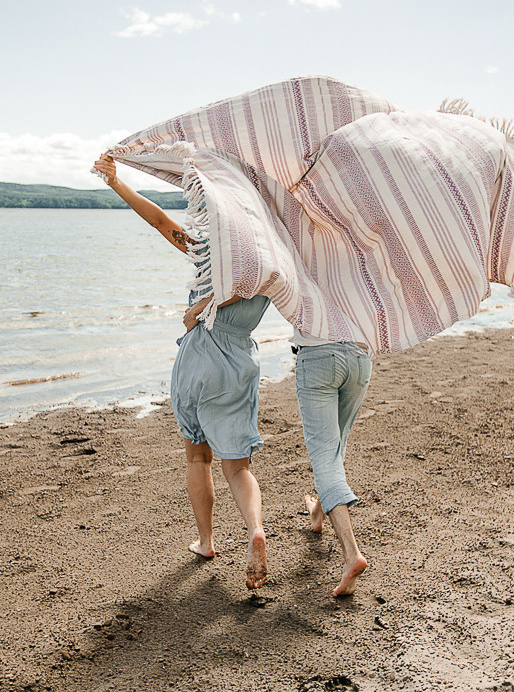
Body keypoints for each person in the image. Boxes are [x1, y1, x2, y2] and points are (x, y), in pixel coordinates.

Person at [95, 155, 270, 590]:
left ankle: (207, 542)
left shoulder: (210, 253)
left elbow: (158, 220)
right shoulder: (274, 262)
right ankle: (253, 529)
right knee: (238, 465)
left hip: (200, 356)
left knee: (197, 455)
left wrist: (117, 182)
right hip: (240, 361)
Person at [293, 329, 372, 597]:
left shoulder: (306, 282)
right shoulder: (359, 282)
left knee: (326, 456)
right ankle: (318, 512)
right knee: (336, 445)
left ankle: (352, 554)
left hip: (318, 359)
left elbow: (268, 286)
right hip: (359, 358)